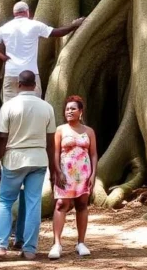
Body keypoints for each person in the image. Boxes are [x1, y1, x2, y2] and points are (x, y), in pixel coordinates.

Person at [0, 71, 65, 260]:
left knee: (5, 201)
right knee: (33, 203)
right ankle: (29, 248)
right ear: (35, 85)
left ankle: (0, 245)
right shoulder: (47, 108)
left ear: (18, 85)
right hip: (38, 159)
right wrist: (54, 170)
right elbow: (51, 141)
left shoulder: (9, 106)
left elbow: (2, 138)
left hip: (14, 159)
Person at [0, 1, 84, 102]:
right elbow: (57, 32)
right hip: (31, 74)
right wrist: (73, 25)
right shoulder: (34, 25)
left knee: (8, 106)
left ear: (14, 13)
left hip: (11, 73)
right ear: (27, 12)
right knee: (34, 103)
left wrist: (3, 57)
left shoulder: (5, 27)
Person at [49, 95, 98, 260]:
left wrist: (93, 174)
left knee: (82, 205)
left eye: (73, 109)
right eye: (67, 109)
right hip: (65, 174)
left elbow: (93, 155)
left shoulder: (89, 131)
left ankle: (81, 242)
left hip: (83, 174)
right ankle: (57, 244)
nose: (69, 111)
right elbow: (55, 153)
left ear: (80, 111)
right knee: (61, 204)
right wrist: (57, 171)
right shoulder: (60, 130)